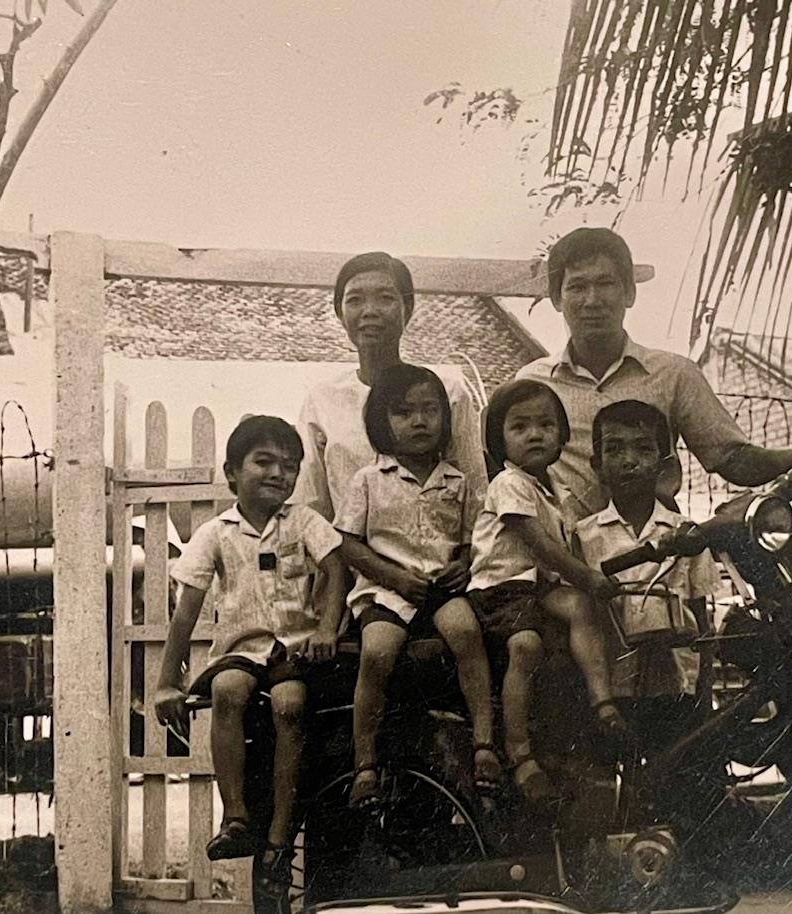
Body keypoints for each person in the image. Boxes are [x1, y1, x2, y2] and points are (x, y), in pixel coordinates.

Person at [153, 415, 347, 898]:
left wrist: (325, 627)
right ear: (232, 472)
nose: (279, 474)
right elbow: (187, 607)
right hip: (242, 648)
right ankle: (236, 814)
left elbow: (337, 566)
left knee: (290, 705)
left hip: (294, 649)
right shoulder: (216, 532)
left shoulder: (302, 521)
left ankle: (280, 835)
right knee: (226, 689)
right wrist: (165, 682)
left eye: (290, 465)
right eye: (264, 462)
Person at [517, 227, 792, 519]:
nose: (592, 300)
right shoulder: (532, 385)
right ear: (557, 299)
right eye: (577, 286)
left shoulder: (673, 374)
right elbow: (509, 476)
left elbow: (732, 459)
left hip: (656, 557)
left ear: (629, 293)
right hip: (565, 562)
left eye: (606, 283)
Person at [335, 365, 501, 808]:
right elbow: (349, 542)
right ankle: (365, 764)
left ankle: (484, 745)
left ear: (446, 420)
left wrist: (463, 564)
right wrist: (392, 577)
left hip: (440, 589)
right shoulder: (368, 480)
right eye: (404, 412)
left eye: (430, 410)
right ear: (381, 423)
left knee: (467, 635)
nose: (419, 421)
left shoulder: (458, 481)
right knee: (377, 652)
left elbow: (472, 542)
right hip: (387, 591)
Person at [465, 379, 630, 806]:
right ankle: (518, 752)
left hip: (536, 588)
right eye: (519, 427)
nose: (534, 434)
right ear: (499, 440)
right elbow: (541, 546)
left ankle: (603, 700)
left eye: (545, 425)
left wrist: (589, 580)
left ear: (560, 436)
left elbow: (567, 546)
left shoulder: (555, 492)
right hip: (501, 587)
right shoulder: (509, 482)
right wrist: (587, 576)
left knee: (581, 608)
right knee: (526, 646)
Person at [294, 251, 488, 525]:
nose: (369, 311)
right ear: (340, 312)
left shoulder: (448, 393)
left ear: (407, 309)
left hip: (440, 561)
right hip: (350, 561)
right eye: (355, 300)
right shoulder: (322, 400)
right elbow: (311, 507)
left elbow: (476, 495)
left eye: (385, 298)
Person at [572, 400, 721, 727]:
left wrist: (704, 693)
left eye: (643, 449)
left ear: (663, 465)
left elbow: (702, 616)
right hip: (614, 687)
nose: (629, 462)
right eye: (614, 450)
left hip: (677, 685)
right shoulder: (583, 537)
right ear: (596, 465)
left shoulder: (686, 534)